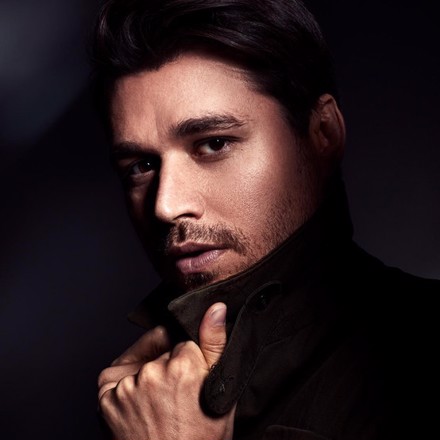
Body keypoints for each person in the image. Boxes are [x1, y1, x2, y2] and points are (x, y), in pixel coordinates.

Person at [92, 0, 439, 439]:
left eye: (214, 144)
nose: (166, 205)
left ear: (323, 133)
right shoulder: (137, 403)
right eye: (141, 166)